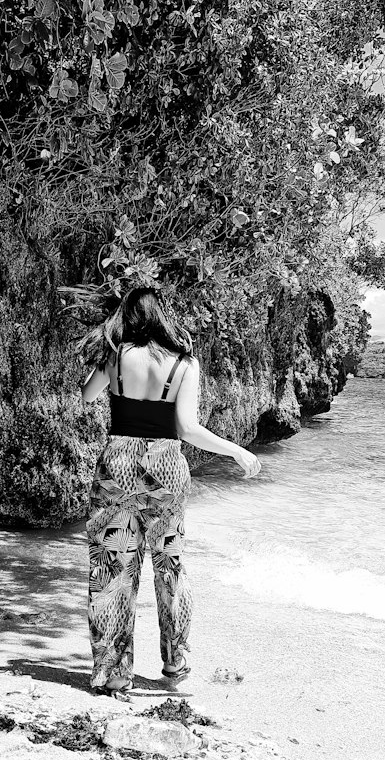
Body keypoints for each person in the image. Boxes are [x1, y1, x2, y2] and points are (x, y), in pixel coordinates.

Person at [80, 286, 261, 698]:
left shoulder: (115, 355)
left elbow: (88, 395)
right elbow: (187, 429)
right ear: (162, 317)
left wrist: (107, 363)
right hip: (166, 467)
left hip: (118, 464)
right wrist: (237, 451)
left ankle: (113, 673)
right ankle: (175, 663)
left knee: (111, 570)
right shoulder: (185, 364)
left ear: (127, 316)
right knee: (170, 567)